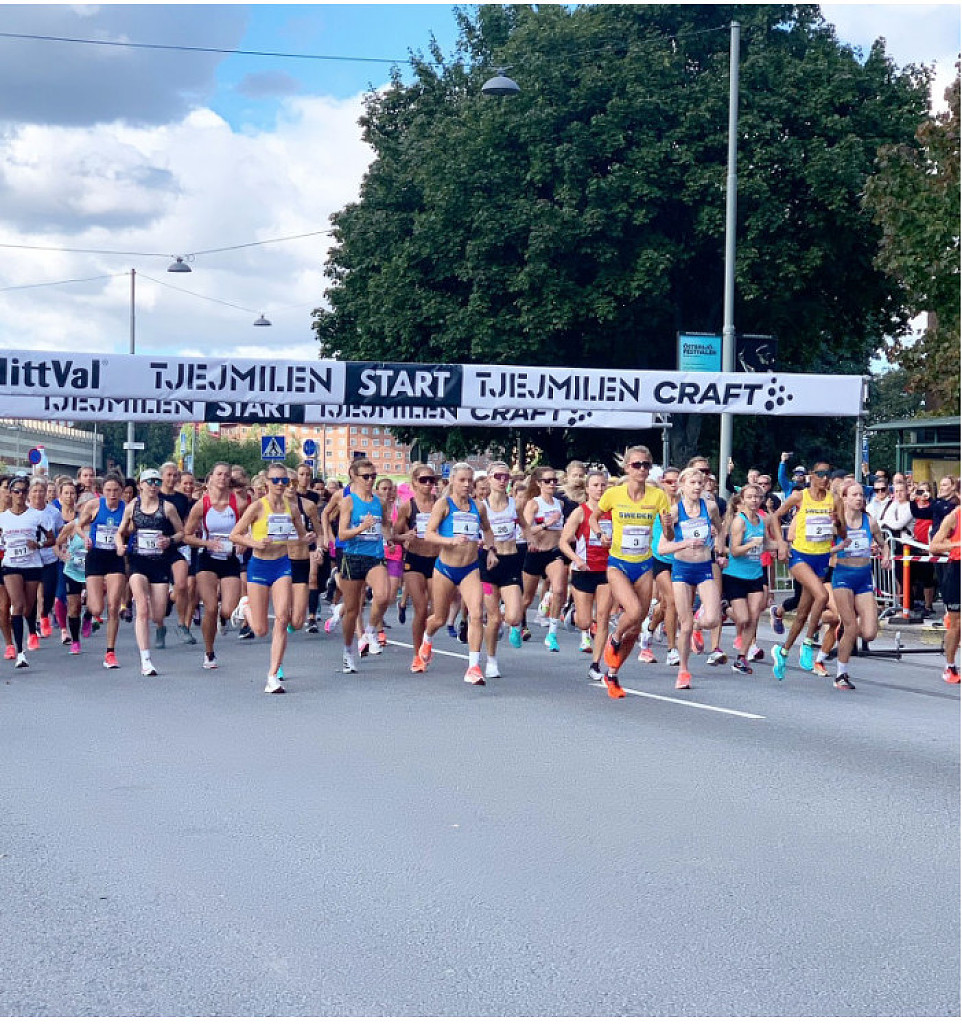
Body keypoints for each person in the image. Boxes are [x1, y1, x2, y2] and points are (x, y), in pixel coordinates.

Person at [590, 446, 671, 698]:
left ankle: (612, 674)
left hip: (644, 564)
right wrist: (600, 534)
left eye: (646, 465)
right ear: (626, 468)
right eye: (636, 465)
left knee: (636, 628)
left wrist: (668, 527)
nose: (642, 469)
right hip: (619, 563)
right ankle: (614, 637)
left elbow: (668, 536)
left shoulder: (658, 496)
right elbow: (594, 517)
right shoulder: (614, 494)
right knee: (634, 611)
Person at [229, 465, 308, 693]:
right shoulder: (257, 507)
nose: (281, 484)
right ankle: (245, 607)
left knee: (283, 618)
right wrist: (255, 543)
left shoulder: (292, 508)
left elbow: (301, 535)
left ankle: (273, 675)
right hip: (259, 566)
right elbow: (235, 534)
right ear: (267, 484)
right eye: (276, 480)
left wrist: (308, 539)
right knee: (261, 629)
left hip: (282, 564)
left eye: (285, 481)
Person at [419, 463, 498, 685]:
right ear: (453, 480)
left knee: (476, 614)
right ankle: (427, 639)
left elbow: (488, 530)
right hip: (445, 568)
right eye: (462, 480)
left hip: (470, 568)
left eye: (469, 481)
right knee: (439, 618)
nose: (466, 484)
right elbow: (429, 534)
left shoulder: (478, 506)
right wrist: (450, 541)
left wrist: (491, 550)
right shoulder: (444, 504)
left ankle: (473, 667)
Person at [768, 460, 846, 680]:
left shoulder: (835, 500)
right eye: (820, 474)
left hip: (821, 557)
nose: (824, 478)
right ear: (811, 475)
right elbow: (775, 517)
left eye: (827, 474)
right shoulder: (799, 496)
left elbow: (842, 532)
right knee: (822, 595)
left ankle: (783, 652)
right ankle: (808, 643)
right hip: (800, 556)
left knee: (802, 613)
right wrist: (781, 543)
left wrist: (837, 523)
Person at [657, 467, 725, 689]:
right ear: (682, 486)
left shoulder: (710, 507)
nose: (697, 487)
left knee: (713, 619)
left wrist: (719, 548)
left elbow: (720, 528)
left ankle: (697, 625)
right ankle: (683, 671)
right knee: (684, 626)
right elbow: (662, 548)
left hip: (704, 567)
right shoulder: (675, 511)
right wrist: (685, 543)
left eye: (700, 483)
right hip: (682, 570)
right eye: (692, 483)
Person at [115, 469, 185, 677]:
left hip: (160, 563)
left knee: (157, 615)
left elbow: (182, 533)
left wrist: (169, 540)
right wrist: (120, 546)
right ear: (141, 485)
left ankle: (163, 607)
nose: (154, 485)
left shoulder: (168, 507)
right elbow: (120, 532)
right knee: (142, 608)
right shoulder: (132, 506)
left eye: (157, 482)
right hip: (138, 561)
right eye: (149, 482)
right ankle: (145, 660)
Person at [182, 462, 249, 670]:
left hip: (230, 558)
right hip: (208, 558)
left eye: (226, 475)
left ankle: (223, 618)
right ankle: (209, 652)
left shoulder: (239, 503)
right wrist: (206, 543)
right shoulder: (202, 504)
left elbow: (252, 526)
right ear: (211, 477)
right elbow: (186, 536)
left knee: (228, 608)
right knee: (210, 607)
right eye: (219, 474)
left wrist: (244, 540)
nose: (222, 478)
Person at [829, 481, 891, 690]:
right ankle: (841, 674)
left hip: (864, 578)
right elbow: (821, 549)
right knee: (851, 627)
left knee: (870, 633)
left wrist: (886, 556)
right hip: (843, 577)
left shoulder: (869, 521)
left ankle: (844, 629)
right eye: (854, 495)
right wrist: (838, 547)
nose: (859, 499)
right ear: (844, 498)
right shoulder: (837, 523)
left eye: (861, 495)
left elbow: (883, 543)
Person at [336, 459, 392, 674]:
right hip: (353, 557)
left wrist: (395, 538)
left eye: (373, 476)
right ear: (354, 476)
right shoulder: (348, 502)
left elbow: (385, 527)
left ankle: (369, 631)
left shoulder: (379, 502)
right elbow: (342, 534)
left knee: (384, 595)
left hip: (375, 556)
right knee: (352, 611)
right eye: (365, 476)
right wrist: (362, 527)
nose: (370, 480)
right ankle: (348, 651)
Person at [559, 469, 612, 682]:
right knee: (584, 622)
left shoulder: (613, 511)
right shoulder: (580, 512)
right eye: (595, 485)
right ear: (587, 489)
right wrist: (577, 559)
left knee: (603, 617)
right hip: (584, 569)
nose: (600, 489)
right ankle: (571, 612)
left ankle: (596, 664)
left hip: (607, 570)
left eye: (603, 485)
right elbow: (563, 542)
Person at [479, 461, 527, 679]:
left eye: (506, 477)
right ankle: (491, 661)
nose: (502, 480)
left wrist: (533, 540)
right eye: (497, 476)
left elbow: (525, 525)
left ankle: (504, 622)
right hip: (488, 564)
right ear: (489, 479)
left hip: (510, 562)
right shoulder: (481, 507)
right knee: (493, 618)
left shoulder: (514, 504)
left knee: (514, 616)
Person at [0, 476, 55, 668]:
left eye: (24, 491)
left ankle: (31, 629)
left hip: (32, 565)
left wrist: (38, 544)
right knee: (17, 605)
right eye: (16, 491)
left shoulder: (37, 516)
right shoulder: (3, 518)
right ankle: (20, 653)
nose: (20, 495)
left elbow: (52, 539)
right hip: (11, 565)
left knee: (28, 608)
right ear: (10, 493)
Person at [394, 465, 441, 673]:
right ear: (414, 482)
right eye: (423, 480)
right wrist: (406, 536)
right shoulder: (408, 506)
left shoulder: (440, 505)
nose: (428, 484)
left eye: (431, 480)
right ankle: (417, 655)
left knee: (437, 611)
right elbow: (394, 535)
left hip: (436, 560)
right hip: (414, 560)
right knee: (421, 608)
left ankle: (427, 640)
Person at [520, 467, 570, 653]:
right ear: (539, 483)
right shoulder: (534, 504)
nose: (552, 484)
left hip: (553, 552)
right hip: (535, 553)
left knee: (558, 590)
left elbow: (562, 529)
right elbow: (525, 531)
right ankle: (519, 624)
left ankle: (552, 633)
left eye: (554, 480)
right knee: (526, 598)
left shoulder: (560, 504)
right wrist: (546, 524)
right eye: (547, 481)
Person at [722, 486, 769, 675]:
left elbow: (765, 543)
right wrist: (750, 545)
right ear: (743, 500)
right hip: (735, 575)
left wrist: (786, 546)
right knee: (743, 618)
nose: (754, 500)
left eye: (757, 497)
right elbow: (734, 551)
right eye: (750, 497)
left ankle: (741, 657)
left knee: (754, 617)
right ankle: (724, 609)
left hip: (755, 574)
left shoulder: (761, 520)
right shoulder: (739, 522)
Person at [158, 462, 195, 647]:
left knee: (182, 584)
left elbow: (186, 523)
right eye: (169, 475)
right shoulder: (155, 495)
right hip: (155, 549)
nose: (172, 479)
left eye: (175, 476)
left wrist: (181, 535)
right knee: (159, 594)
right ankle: (160, 628)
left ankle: (182, 624)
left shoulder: (182, 499)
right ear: (162, 477)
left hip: (176, 546)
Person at [929, 507, 961, 684]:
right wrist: (956, 545)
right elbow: (934, 546)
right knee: (956, 624)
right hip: (957, 570)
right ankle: (950, 666)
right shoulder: (954, 516)